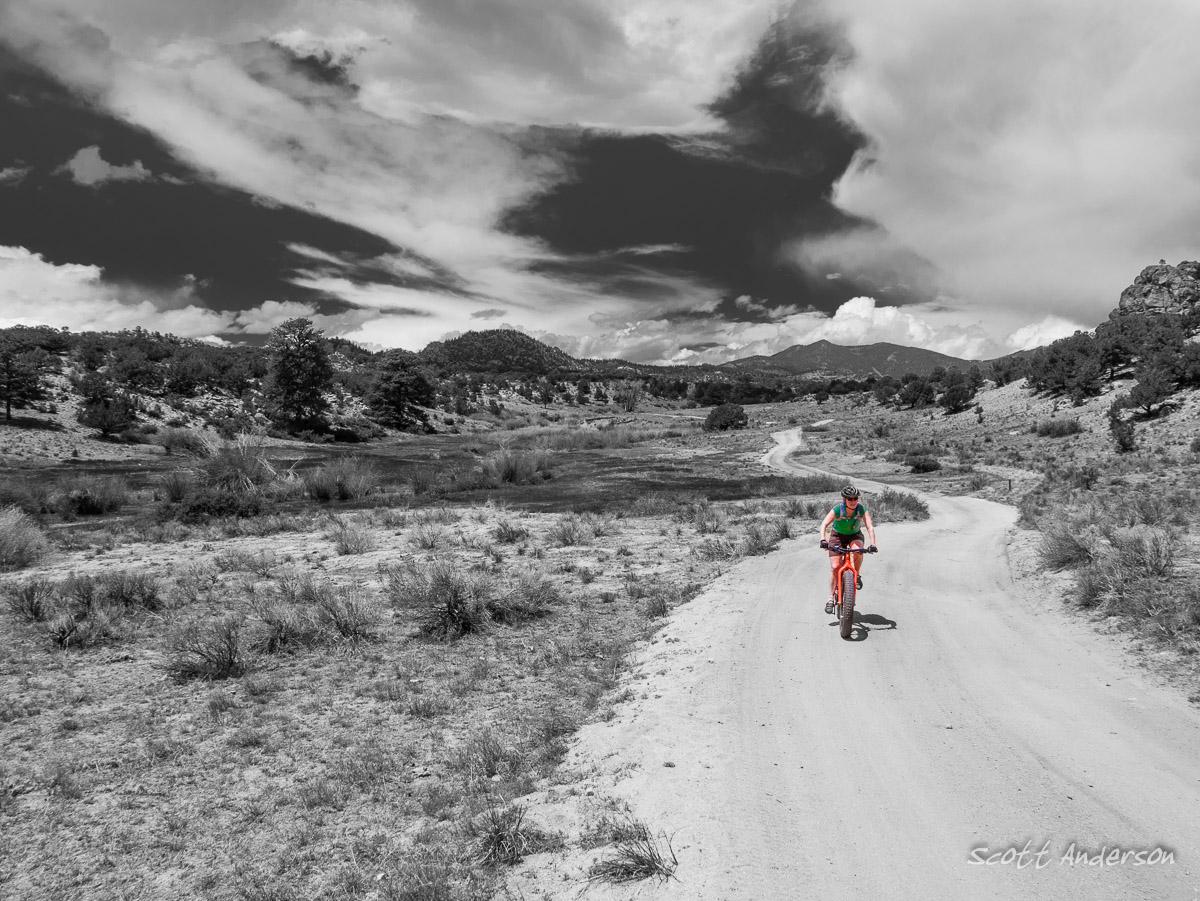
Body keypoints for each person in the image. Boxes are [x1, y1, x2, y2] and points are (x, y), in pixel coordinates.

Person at [818, 485, 878, 615]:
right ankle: (830, 599)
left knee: (858, 551)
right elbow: (824, 524)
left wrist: (873, 544)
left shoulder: (861, 509)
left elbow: (870, 527)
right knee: (835, 567)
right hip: (837, 536)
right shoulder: (838, 509)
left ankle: (856, 575)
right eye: (850, 499)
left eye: (855, 498)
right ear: (844, 499)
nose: (853, 501)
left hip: (854, 536)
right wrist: (823, 539)